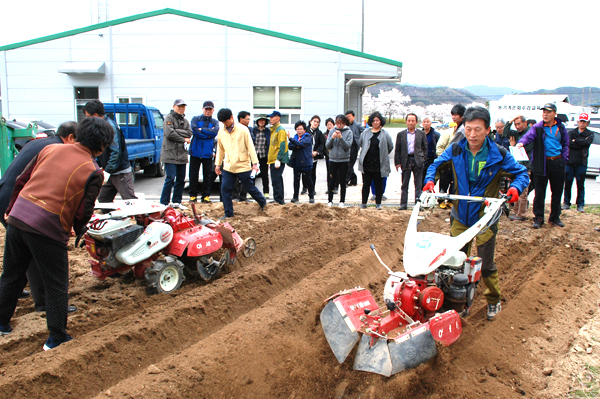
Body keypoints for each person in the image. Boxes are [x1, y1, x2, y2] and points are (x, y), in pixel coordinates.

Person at [0, 117, 113, 349]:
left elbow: (22, 179)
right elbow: (84, 210)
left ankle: (1, 323)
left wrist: (12, 210)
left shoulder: (50, 149)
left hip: (19, 218)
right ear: (102, 145)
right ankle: (57, 337)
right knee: (56, 285)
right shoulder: (93, 171)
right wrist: (77, 229)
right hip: (46, 227)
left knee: (11, 274)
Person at [424, 106, 528, 320]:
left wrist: (515, 189)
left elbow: (521, 173)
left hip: (485, 218)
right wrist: (429, 181)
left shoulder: (498, 154)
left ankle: (493, 299)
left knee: (486, 262)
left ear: (488, 130)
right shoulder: (455, 149)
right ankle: (453, 303)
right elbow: (435, 165)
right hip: (460, 215)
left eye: (477, 130)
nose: (472, 135)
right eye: (468, 129)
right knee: (454, 261)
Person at [0, 122, 79, 314]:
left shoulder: (39, 142)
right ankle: (43, 302)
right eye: (77, 143)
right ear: (69, 138)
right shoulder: (55, 150)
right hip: (18, 201)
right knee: (36, 250)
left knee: (19, 253)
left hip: (7, 195)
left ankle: (12, 291)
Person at [516, 103, 569, 229]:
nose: (545, 114)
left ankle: (555, 217)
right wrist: (521, 143)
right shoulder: (538, 127)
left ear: (554, 114)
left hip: (557, 162)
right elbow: (528, 136)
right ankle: (538, 218)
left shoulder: (561, 127)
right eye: (544, 111)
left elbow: (566, 143)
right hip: (542, 163)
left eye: (548, 112)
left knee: (557, 192)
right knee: (539, 192)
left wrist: (564, 159)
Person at [214, 108, 267, 218]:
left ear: (232, 117)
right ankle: (228, 213)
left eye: (226, 121)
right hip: (229, 166)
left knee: (249, 188)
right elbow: (220, 149)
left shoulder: (243, 130)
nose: (224, 124)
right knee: (225, 189)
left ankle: (263, 203)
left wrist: (255, 163)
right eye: (222, 122)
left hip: (242, 165)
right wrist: (218, 164)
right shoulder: (221, 132)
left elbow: (250, 147)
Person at [83, 100, 137, 203]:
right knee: (103, 199)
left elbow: (115, 152)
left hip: (120, 172)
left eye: (88, 116)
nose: (87, 119)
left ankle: (142, 219)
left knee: (130, 202)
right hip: (109, 170)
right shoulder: (101, 126)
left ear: (95, 115)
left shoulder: (109, 127)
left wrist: (108, 171)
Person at [160, 99, 192, 207]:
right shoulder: (168, 118)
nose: (181, 109)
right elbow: (169, 133)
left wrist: (176, 130)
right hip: (170, 154)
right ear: (174, 107)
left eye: (183, 107)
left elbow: (189, 132)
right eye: (179, 106)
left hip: (182, 154)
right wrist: (183, 139)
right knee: (170, 179)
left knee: (180, 179)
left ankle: (176, 202)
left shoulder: (185, 121)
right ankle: (164, 202)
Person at [358, 111, 394, 209]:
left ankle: (378, 203)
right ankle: (363, 203)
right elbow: (361, 144)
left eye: (377, 120)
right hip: (367, 163)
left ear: (380, 121)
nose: (375, 122)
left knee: (379, 184)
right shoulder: (365, 133)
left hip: (379, 163)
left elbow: (390, 146)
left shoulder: (385, 134)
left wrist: (383, 154)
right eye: (373, 120)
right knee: (366, 184)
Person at [394, 113, 428, 210]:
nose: (411, 123)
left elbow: (425, 148)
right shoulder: (401, 134)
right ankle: (403, 204)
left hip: (418, 160)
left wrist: (423, 159)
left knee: (418, 184)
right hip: (405, 160)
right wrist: (398, 163)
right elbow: (397, 150)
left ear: (416, 122)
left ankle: (418, 205)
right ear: (406, 122)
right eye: (409, 120)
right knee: (404, 184)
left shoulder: (421, 134)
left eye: (413, 121)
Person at [503, 115, 533, 221]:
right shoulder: (517, 133)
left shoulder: (529, 134)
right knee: (516, 189)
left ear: (525, 123)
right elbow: (505, 133)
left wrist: (515, 145)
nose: (517, 126)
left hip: (526, 165)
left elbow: (523, 149)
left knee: (523, 191)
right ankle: (516, 212)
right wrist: (510, 121)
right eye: (515, 124)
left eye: (519, 124)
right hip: (518, 166)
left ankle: (521, 214)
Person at [562, 113, 594, 213]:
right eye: (581, 121)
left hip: (581, 162)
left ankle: (580, 204)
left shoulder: (590, 133)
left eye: (584, 122)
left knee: (580, 185)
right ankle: (566, 203)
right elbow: (568, 143)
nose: (582, 123)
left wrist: (576, 141)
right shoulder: (571, 132)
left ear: (587, 123)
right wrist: (578, 141)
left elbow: (587, 143)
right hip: (569, 162)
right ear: (578, 122)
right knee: (567, 184)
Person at [189, 101, 219, 203]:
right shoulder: (195, 119)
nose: (208, 111)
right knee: (193, 175)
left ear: (213, 110)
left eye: (210, 109)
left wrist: (202, 130)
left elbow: (215, 133)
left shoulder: (215, 122)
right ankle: (193, 196)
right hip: (195, 152)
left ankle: (205, 196)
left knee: (207, 175)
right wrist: (207, 134)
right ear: (202, 109)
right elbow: (194, 131)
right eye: (206, 109)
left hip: (207, 153)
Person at [436, 104, 466, 199]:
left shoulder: (462, 130)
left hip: (459, 162)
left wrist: (443, 159)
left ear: (462, 116)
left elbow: (452, 148)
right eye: (452, 115)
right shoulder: (459, 128)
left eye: (456, 115)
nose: (453, 117)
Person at [325, 114, 353, 207]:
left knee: (342, 181)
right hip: (332, 159)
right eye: (337, 123)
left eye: (341, 123)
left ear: (344, 123)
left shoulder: (349, 132)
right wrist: (333, 137)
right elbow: (327, 145)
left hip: (344, 160)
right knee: (331, 180)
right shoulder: (332, 131)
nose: (339, 125)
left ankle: (342, 201)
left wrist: (341, 138)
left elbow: (347, 146)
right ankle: (330, 200)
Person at [288, 121, 315, 204]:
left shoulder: (308, 136)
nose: (299, 131)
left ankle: (311, 196)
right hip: (296, 163)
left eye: (301, 129)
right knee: (296, 180)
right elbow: (290, 146)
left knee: (308, 180)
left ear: (304, 129)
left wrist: (293, 141)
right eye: (297, 129)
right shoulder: (295, 137)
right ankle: (295, 196)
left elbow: (302, 143)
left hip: (306, 162)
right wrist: (297, 145)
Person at [267, 111, 289, 205]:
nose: (270, 119)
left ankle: (279, 200)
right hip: (273, 159)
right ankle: (277, 198)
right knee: (276, 179)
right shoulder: (274, 130)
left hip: (277, 159)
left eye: (272, 117)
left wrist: (278, 159)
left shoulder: (280, 130)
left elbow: (282, 145)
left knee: (276, 180)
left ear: (278, 118)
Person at [232, 111, 253, 203]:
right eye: (247, 118)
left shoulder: (250, 129)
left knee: (246, 177)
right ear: (241, 119)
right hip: (236, 156)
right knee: (235, 178)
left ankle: (243, 196)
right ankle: (235, 196)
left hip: (247, 156)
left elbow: (252, 141)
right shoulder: (234, 129)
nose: (249, 121)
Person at [305, 115, 325, 196]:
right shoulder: (305, 130)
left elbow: (321, 144)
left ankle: (312, 189)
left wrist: (316, 152)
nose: (315, 123)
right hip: (305, 155)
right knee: (304, 172)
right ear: (310, 122)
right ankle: (304, 187)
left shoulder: (319, 133)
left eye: (317, 122)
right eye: (314, 121)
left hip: (314, 156)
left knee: (313, 173)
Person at [345, 110, 365, 187]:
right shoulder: (346, 125)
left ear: (354, 117)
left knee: (350, 164)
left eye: (349, 117)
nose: (348, 118)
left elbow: (365, 132)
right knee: (348, 164)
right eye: (347, 117)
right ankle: (354, 180)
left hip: (354, 146)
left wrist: (360, 140)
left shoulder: (358, 125)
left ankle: (346, 180)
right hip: (347, 147)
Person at [252, 116, 271, 197]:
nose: (261, 122)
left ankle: (266, 192)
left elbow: (269, 142)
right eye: (260, 121)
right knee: (252, 173)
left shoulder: (267, 131)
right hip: (254, 155)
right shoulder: (254, 130)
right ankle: (251, 191)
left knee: (264, 174)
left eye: (263, 121)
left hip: (264, 154)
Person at [323, 118, 336, 195]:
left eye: (331, 124)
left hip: (335, 156)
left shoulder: (336, 133)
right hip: (328, 156)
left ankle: (335, 187)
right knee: (329, 172)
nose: (329, 126)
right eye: (328, 125)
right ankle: (329, 188)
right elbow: (324, 145)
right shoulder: (324, 135)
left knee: (336, 172)